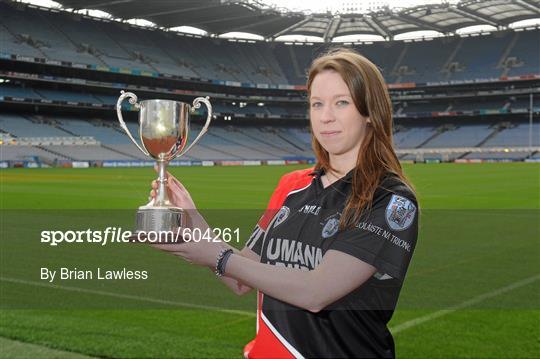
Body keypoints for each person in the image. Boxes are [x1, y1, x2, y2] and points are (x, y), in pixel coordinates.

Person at [149, 48, 419, 358]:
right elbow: (242, 279)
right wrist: (198, 230)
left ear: (369, 111)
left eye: (341, 102)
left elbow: (317, 292)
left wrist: (217, 256)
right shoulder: (292, 185)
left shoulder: (391, 200)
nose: (325, 116)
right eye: (317, 104)